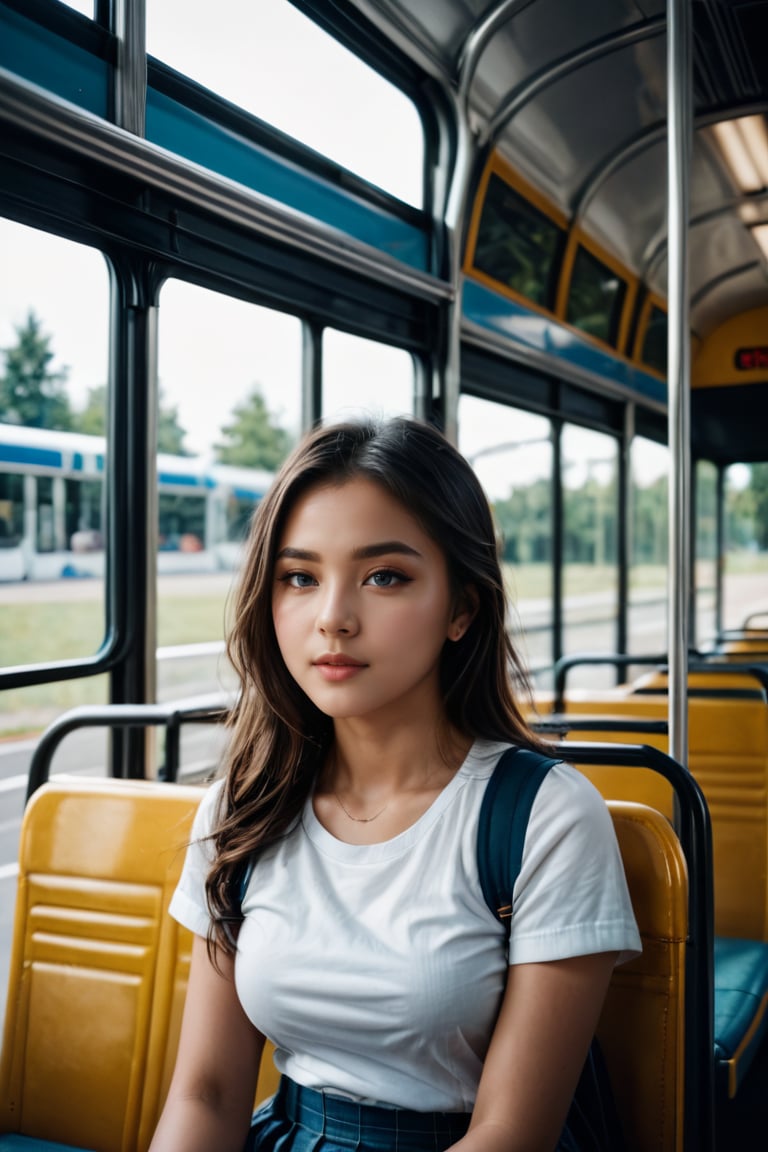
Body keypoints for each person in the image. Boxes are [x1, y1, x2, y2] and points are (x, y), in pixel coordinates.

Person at [149, 416, 641, 1152]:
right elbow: (207, 1093)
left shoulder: (546, 818)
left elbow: (512, 1131)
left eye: (385, 577)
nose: (334, 619)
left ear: (461, 608)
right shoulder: (244, 808)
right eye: (300, 577)